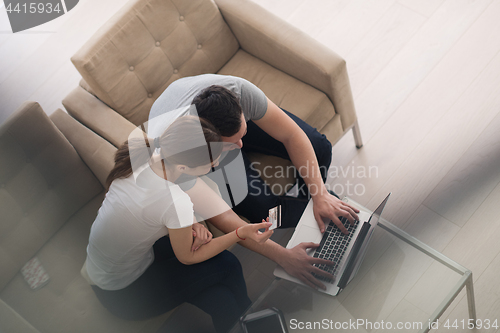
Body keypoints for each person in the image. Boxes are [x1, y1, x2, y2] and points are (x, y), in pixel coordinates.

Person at [148, 74, 360, 290]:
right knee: (267, 212)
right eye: (231, 145)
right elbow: (225, 217)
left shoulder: (239, 92)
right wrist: (283, 256)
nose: (241, 146)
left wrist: (320, 194)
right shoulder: (181, 156)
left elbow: (291, 135)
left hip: (208, 115)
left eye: (243, 135)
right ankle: (315, 211)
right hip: (190, 134)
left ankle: (318, 207)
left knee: (320, 147)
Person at [84, 116, 273, 333]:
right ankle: (252, 319)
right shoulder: (173, 201)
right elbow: (187, 256)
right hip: (123, 294)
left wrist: (189, 222)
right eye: (211, 161)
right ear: (183, 166)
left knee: (221, 299)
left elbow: (146, 206)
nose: (216, 164)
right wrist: (241, 233)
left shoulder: (142, 155)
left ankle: (248, 319)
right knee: (228, 265)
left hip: (111, 265)